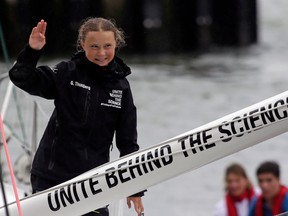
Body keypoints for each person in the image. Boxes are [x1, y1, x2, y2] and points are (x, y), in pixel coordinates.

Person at [9, 17, 145, 216]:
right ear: (82, 45)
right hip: (51, 178)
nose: (101, 53)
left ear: (117, 43)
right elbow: (23, 78)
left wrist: (134, 189)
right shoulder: (67, 72)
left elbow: (128, 143)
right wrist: (32, 50)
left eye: (108, 46)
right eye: (94, 46)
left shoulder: (122, 87)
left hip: (93, 182)